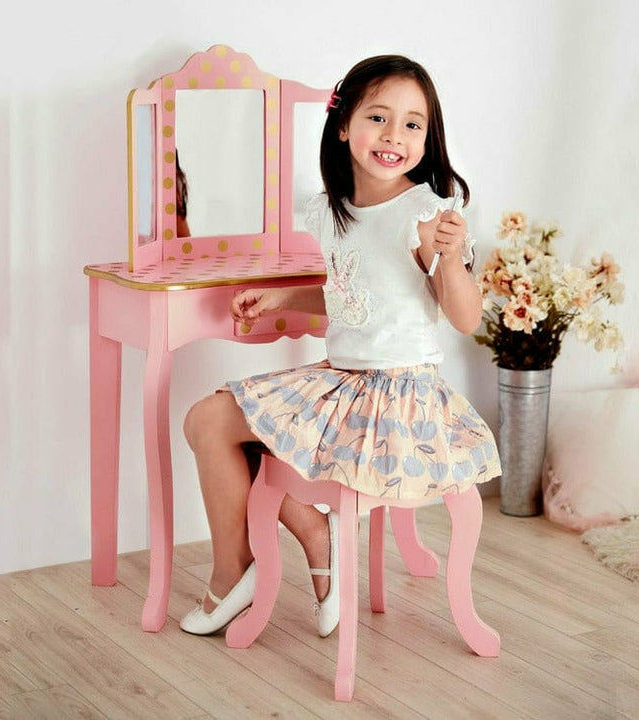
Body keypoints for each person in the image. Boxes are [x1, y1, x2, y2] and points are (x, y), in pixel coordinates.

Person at [179, 54, 502, 638]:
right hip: (343, 380)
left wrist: (452, 257)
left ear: (428, 137)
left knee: (224, 425)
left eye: (412, 124)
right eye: (378, 117)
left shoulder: (425, 213)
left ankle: (247, 566)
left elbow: (464, 316)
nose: (394, 136)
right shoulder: (331, 212)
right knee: (208, 420)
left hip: (398, 397)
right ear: (344, 124)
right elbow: (355, 296)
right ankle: (282, 544)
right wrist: (283, 299)